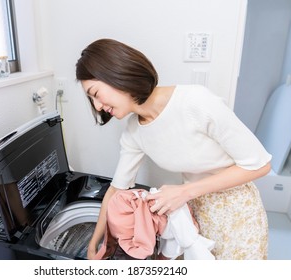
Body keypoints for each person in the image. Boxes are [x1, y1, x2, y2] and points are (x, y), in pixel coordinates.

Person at [75, 38, 272, 260]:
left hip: (238, 214)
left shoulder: (196, 101)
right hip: (195, 213)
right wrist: (95, 244)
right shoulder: (134, 131)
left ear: (116, 74)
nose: (97, 106)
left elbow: (260, 165)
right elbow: (116, 190)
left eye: (95, 93)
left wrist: (185, 192)